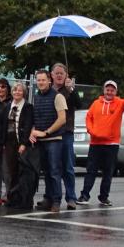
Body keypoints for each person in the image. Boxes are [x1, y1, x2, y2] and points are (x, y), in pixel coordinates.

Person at [78, 78, 124, 207]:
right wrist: (91, 130)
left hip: (111, 144)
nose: (109, 92)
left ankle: (104, 197)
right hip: (95, 143)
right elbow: (89, 117)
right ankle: (84, 195)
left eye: (112, 90)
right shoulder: (96, 103)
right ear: (104, 90)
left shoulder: (119, 103)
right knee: (91, 171)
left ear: (115, 92)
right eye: (108, 89)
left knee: (108, 172)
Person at [31, 69, 68, 213]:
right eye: (38, 80)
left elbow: (62, 119)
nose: (40, 82)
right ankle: (48, 198)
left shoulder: (58, 97)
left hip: (54, 139)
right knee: (46, 172)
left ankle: (56, 201)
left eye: (43, 80)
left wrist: (46, 132)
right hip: (41, 140)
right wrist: (33, 131)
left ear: (49, 81)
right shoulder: (36, 97)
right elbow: (35, 117)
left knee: (54, 171)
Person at [50, 63, 82, 210]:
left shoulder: (69, 90)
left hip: (66, 132)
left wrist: (71, 90)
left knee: (68, 167)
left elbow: (79, 104)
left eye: (61, 73)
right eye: (56, 73)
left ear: (66, 75)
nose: (59, 75)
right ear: (52, 75)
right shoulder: (48, 90)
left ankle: (71, 198)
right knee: (52, 167)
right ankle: (50, 197)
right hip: (51, 132)